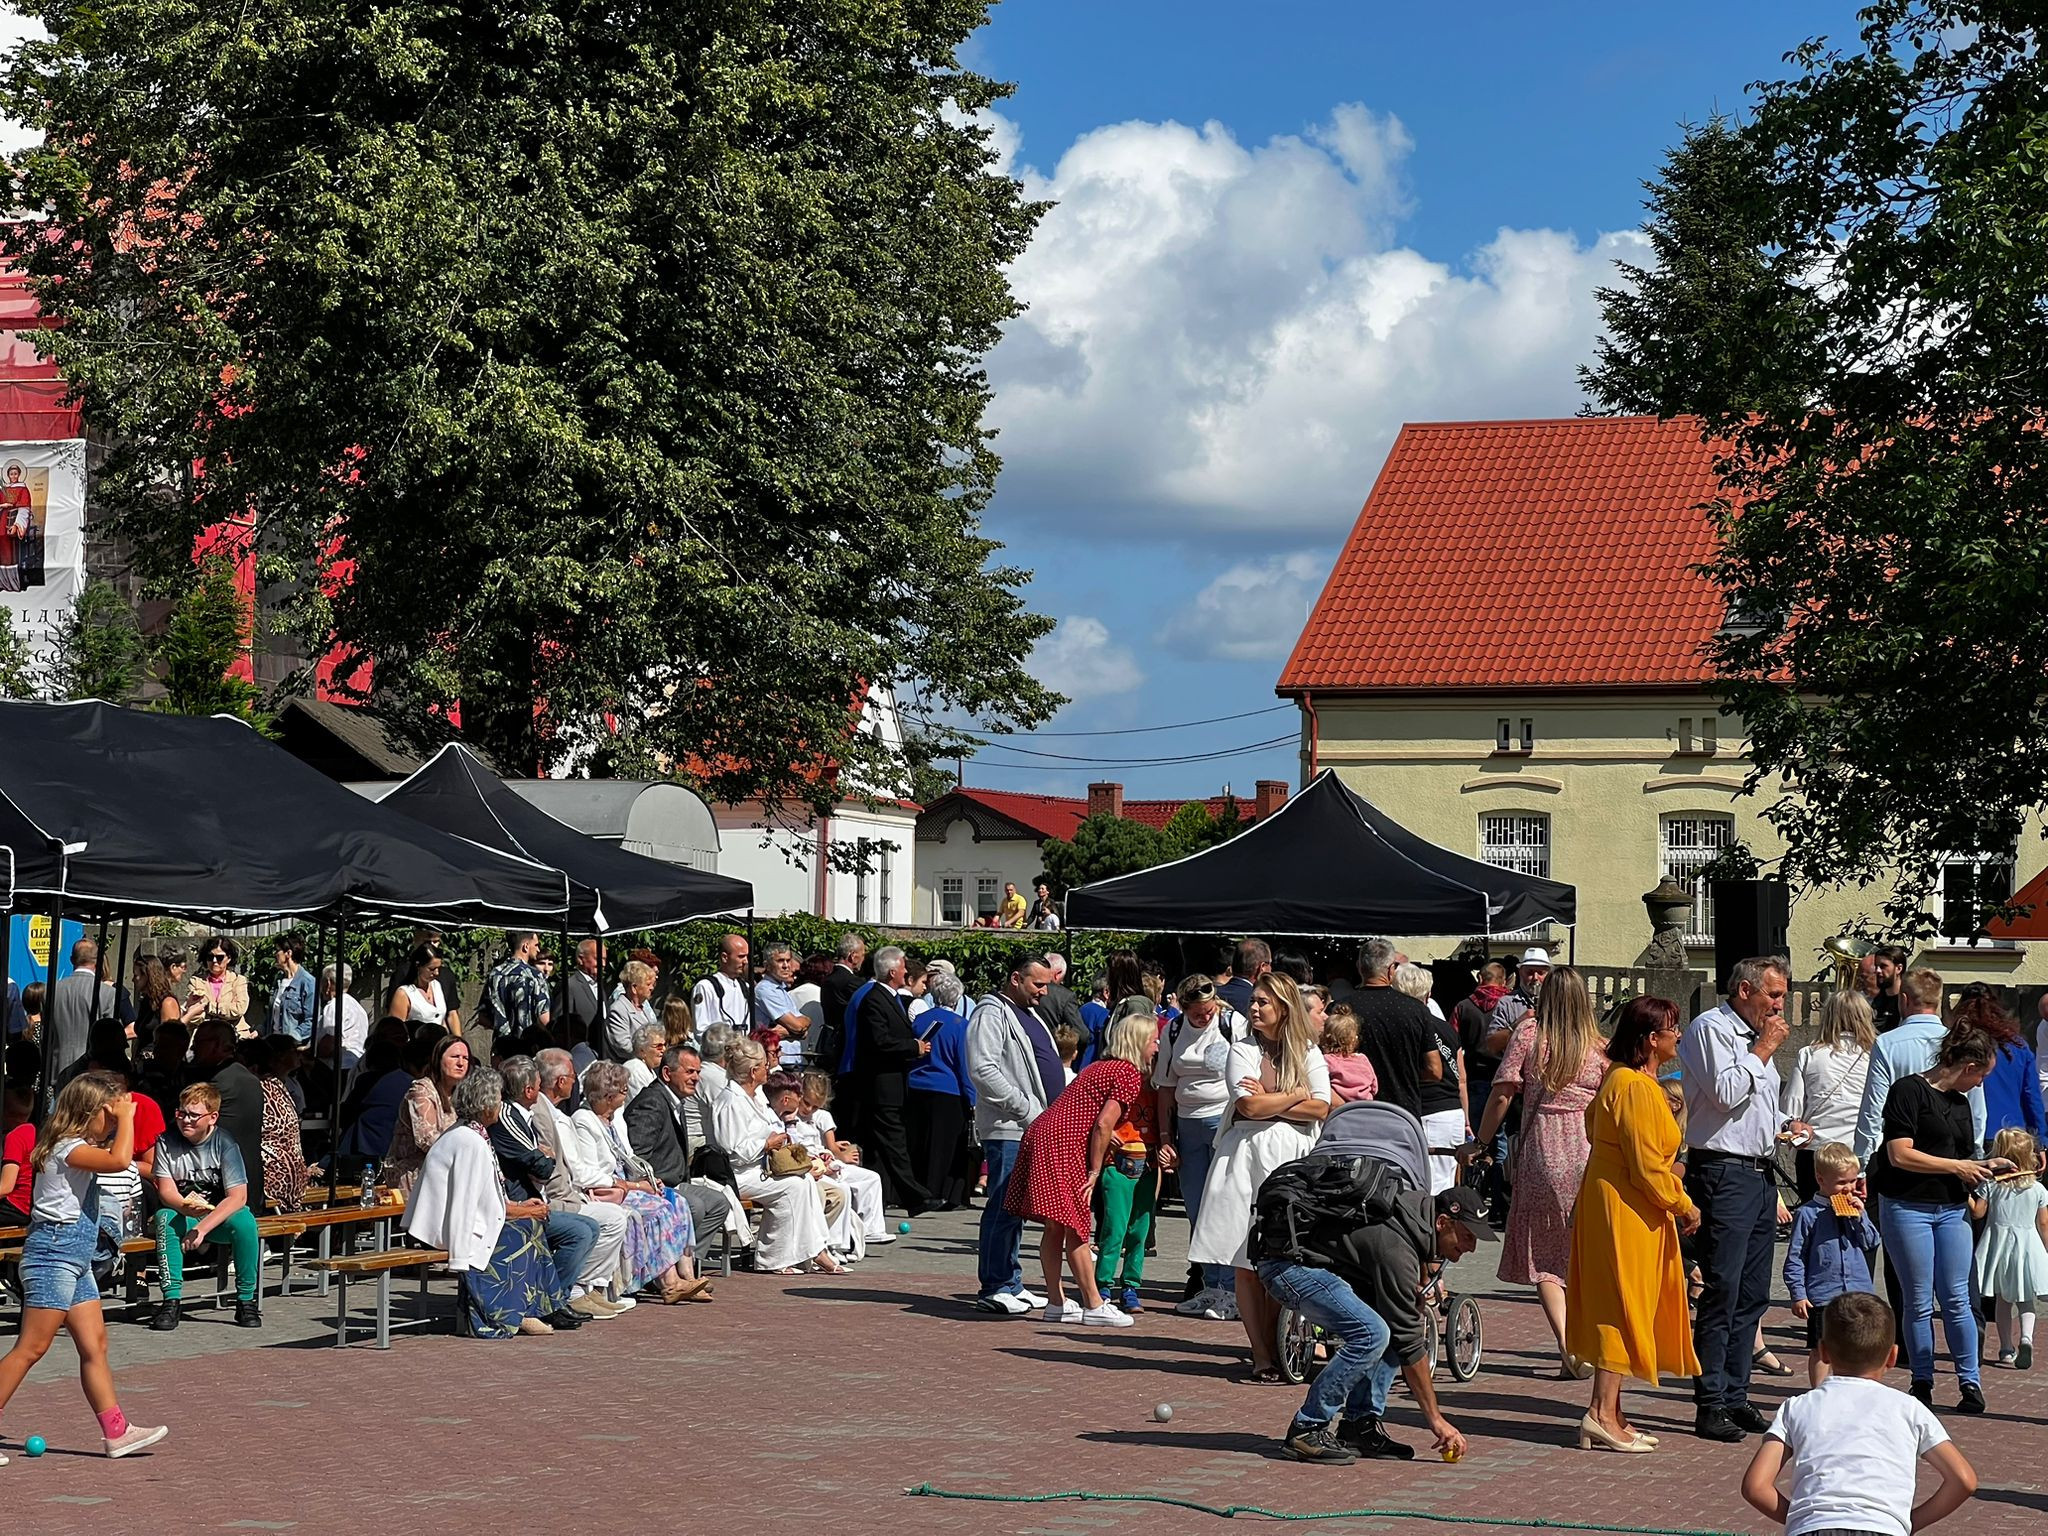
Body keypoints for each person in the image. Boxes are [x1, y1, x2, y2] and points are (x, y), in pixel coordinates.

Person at [0, 1073, 169, 1461]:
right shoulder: (65, 1146)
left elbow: (118, 1156)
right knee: (31, 1348)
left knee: (95, 1346)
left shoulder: (78, 1145)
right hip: (52, 1254)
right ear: (88, 1112)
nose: (113, 1126)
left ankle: (117, 1432)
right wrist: (126, 1118)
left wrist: (120, 1113)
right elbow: (120, 1160)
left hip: (75, 1258)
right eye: (107, 1118)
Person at [1567, 995, 1700, 1453]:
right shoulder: (1636, 1087)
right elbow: (1646, 1167)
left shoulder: (1620, 1079)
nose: (1678, 1035)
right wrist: (1683, 1204)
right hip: (1628, 1205)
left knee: (1623, 1300)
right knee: (1623, 1303)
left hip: (1615, 1200)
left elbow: (1595, 1131)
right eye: (1672, 1028)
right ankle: (1601, 1413)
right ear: (1650, 1039)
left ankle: (1611, 1411)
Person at [1679, 955, 1803, 1442]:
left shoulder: (1757, 1043)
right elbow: (1726, 1094)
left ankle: (1736, 1394)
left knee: (1752, 1293)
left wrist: (1785, 1129)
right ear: (1745, 990)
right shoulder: (1712, 1029)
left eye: (1784, 995)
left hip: (1759, 1173)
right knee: (1722, 1289)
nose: (1780, 1005)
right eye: (1773, 994)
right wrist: (1765, 1050)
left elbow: (1755, 1110)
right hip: (1721, 1173)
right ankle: (1709, 1402)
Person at [1189, 972, 1333, 1381]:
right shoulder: (1242, 1050)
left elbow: (1321, 1108)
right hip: (1246, 1159)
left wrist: (1276, 1100)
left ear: (1284, 1009)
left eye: (1262, 1002)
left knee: (1282, 1257)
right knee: (1245, 1258)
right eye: (1252, 1001)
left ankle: (1278, 1344)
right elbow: (1248, 1107)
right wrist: (1294, 1095)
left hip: (1293, 1162)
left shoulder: (1307, 1051)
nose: (1253, 1008)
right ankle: (1261, 1353)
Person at [1741, 1293, 1977, 1536]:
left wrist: (1800, 1520)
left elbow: (1756, 1486)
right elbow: (1963, 1480)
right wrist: (1908, 1522)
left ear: (1823, 1352)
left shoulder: (1798, 1407)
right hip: (1884, 1528)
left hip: (1813, 1527)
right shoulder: (1909, 1408)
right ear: (1892, 1356)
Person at [1470, 964, 1607, 1377]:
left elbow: (1502, 1093)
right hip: (1588, 1148)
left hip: (1543, 1146)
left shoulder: (1530, 1035)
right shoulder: (1599, 1045)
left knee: (1545, 1257)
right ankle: (1584, 1344)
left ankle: (1567, 1346)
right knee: (1580, 1250)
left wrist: (1480, 1142)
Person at [1006, 1010, 1161, 1328]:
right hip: (1063, 1144)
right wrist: (1093, 1171)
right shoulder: (1128, 1074)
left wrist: (1104, 1135)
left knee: (1055, 1226)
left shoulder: (1100, 1067)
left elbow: (1091, 1114)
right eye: (1153, 1040)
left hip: (1044, 1132)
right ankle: (1094, 1303)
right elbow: (1103, 1123)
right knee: (1074, 1223)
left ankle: (1057, 1301)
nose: (1157, 1047)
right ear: (1139, 1042)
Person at [1876, 1027, 1998, 1414]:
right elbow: (1900, 1154)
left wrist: (1984, 1168)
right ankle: (1922, 1379)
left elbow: (1962, 1159)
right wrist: (1958, 1167)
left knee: (1958, 1296)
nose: (1981, 1084)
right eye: (1981, 1076)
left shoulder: (1959, 1103)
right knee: (1917, 1297)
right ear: (1968, 1066)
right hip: (1907, 1205)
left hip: (1950, 1208)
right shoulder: (1908, 1091)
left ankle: (1970, 1381)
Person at [405, 1069, 570, 1336]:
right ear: (485, 1105)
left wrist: (518, 1207)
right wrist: (460, 1257)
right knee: (522, 1233)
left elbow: (483, 1197)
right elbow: (466, 1203)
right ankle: (504, 1314)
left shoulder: (472, 1133)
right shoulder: (469, 1140)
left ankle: (526, 1309)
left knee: (530, 1227)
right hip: (448, 1228)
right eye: (497, 1100)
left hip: (459, 1220)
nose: (500, 1106)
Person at [491, 1055, 628, 1321]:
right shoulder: (512, 1115)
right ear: (530, 1089)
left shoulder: (529, 1112)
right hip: (524, 1205)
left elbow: (541, 1161)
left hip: (537, 1200)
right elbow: (542, 1167)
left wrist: (544, 1156)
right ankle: (557, 1299)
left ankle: (566, 1295)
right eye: (538, 1083)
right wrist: (547, 1156)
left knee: (593, 1226)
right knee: (581, 1230)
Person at [563, 1060, 709, 1302]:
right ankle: (669, 1283)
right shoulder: (584, 1119)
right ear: (607, 1095)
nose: (626, 1095)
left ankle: (688, 1277)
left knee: (678, 1202)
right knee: (660, 1209)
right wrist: (635, 1186)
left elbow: (629, 1156)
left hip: (627, 1185)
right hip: (607, 1190)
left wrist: (648, 1178)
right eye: (622, 1091)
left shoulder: (615, 1117)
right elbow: (589, 1172)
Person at [967, 955, 1058, 1314]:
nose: (1044, 991)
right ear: (1016, 979)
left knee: (1015, 1207)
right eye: (1038, 984)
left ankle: (1011, 1280)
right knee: (1003, 1205)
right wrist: (1025, 1108)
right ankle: (994, 1285)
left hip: (1030, 1125)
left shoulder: (1028, 1013)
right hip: (1009, 1127)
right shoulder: (991, 1012)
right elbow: (983, 1068)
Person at [712, 1036, 843, 1275]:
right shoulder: (730, 1101)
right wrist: (766, 1144)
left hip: (759, 1169)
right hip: (738, 1175)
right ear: (753, 1071)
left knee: (804, 1183)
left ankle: (815, 1250)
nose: (767, 1069)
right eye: (763, 1065)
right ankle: (774, 1258)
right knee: (793, 1187)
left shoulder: (757, 1097)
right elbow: (731, 1150)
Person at [1154, 975, 1245, 1319]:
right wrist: (1165, 1137)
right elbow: (1165, 1087)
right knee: (1197, 1207)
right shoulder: (1173, 1030)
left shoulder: (1232, 1023)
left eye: (1208, 1011)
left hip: (1225, 1121)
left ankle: (1230, 1289)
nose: (1204, 1018)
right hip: (1188, 1126)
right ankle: (1210, 1285)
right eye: (1197, 1013)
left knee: (1225, 1202)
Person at [149, 1083, 263, 1331]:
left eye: (193, 1115)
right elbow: (167, 1191)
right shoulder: (166, 1141)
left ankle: (246, 1300)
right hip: (185, 1214)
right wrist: (185, 1208)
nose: (185, 1121)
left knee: (244, 1221)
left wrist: (201, 1229)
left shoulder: (225, 1143)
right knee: (164, 1217)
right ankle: (171, 1299)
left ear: (213, 1118)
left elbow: (237, 1197)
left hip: (217, 1217)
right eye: (181, 1113)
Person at [1091, 999, 1172, 1314]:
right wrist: (1103, 1130)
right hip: (1118, 1163)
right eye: (1153, 1040)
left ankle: (1132, 1286)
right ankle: (1103, 1285)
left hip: (1148, 1162)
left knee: (1140, 1229)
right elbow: (1094, 1112)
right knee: (1114, 1227)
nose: (1157, 1046)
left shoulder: (1155, 1079)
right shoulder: (1116, 1076)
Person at [839, 945, 932, 1215]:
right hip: (881, 1085)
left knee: (881, 1145)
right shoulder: (874, 999)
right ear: (893, 971)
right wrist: (913, 1047)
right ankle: (915, 1196)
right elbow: (879, 1041)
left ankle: (880, 1199)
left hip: (891, 1083)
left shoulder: (888, 997)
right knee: (894, 1142)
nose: (906, 971)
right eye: (903, 967)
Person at [1782, 1141, 1880, 1387]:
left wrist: (1860, 1217)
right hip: (1823, 1294)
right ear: (1821, 1179)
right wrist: (1798, 1294)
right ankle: (1819, 1392)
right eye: (1841, 1183)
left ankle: (1852, 1390)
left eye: (1852, 1182)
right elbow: (1795, 1257)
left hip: (1858, 1291)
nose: (1847, 1189)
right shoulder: (1808, 1214)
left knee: (1856, 1344)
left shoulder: (1857, 1208)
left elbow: (1871, 1242)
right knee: (1821, 1347)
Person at [621, 1043, 734, 1251]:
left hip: (677, 1181)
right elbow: (637, 1157)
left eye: (698, 1072)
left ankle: (690, 1260)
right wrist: (654, 1185)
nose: (696, 1078)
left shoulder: (676, 1100)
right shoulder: (652, 1102)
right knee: (695, 1206)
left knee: (720, 1203)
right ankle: (667, 1266)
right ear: (667, 1073)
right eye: (689, 1071)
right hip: (656, 1185)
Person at [1781, 990, 1876, 1201]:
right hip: (1859, 1151)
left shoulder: (1809, 1054)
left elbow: (1791, 1106)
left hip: (1817, 1150)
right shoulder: (1875, 1057)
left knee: (1815, 1219)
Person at [1975, 1126, 2048, 1369]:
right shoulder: (2037, 1188)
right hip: (2027, 1247)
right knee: (2027, 1300)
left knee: (2003, 1301)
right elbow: (2044, 1223)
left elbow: (1978, 1212)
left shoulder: (1992, 1185)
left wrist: (1965, 1194)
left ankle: (2006, 1348)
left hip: (1998, 1245)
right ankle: (2026, 1339)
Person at [1345, 938, 1440, 1118]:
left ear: (1359, 966)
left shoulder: (1342, 1009)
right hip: (1403, 1111)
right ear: (1391, 970)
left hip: (1354, 1110)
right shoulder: (1416, 1010)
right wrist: (1406, 1072)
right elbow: (1434, 1070)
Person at [906, 970, 976, 1209]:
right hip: (949, 1090)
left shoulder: (919, 1021)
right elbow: (964, 1065)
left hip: (916, 1086)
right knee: (944, 1147)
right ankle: (938, 1191)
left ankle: (918, 1188)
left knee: (919, 1141)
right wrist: (972, 1097)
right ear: (956, 998)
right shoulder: (961, 1026)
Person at [1397, 962, 1466, 1191]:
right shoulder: (1447, 1029)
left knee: (1420, 1189)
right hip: (1451, 1113)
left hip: (1426, 1113)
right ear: (1428, 993)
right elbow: (1461, 1079)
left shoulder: (1407, 1028)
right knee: (1444, 1186)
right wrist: (1465, 1119)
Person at [190, 1018, 266, 1219]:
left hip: (222, 1186)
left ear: (217, 1045)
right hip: (250, 1179)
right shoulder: (248, 1078)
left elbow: (193, 1129)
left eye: (199, 1042)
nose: (194, 1048)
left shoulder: (216, 1083)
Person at [388, 1033, 471, 1196]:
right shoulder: (421, 1090)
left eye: (466, 1058)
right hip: (416, 1179)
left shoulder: (462, 1094)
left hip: (449, 1175)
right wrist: (465, 1155)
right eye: (455, 1057)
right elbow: (426, 1139)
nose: (461, 1063)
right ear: (439, 1060)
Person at [1970, 991, 2046, 1140]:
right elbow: (2031, 1095)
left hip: (1972, 1132)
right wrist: (2041, 1138)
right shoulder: (2018, 1046)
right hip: (2013, 1133)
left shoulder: (1963, 1046)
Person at [47, 937, 123, 1080]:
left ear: (71, 960)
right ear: (98, 961)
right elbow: (110, 1041)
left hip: (58, 1069)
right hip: (93, 1070)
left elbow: (47, 1036)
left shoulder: (50, 992)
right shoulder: (107, 994)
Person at [257, 1037, 315, 1214]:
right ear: (280, 1056)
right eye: (293, 1050)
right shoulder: (263, 1087)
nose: (299, 1055)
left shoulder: (289, 1083)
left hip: (292, 1177)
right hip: (272, 1178)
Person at [478, 932, 551, 1069]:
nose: (539, 949)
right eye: (536, 945)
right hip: (527, 1052)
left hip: (501, 1051)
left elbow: (482, 1017)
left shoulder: (495, 974)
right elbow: (544, 1019)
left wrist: (502, 1024)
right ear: (525, 946)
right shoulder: (535, 977)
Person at [753, 942, 811, 1067]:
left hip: (792, 1061)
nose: (786, 966)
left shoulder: (782, 990)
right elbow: (798, 1027)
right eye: (780, 961)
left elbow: (804, 1026)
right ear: (767, 965)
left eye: (788, 960)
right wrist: (798, 1028)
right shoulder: (765, 990)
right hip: (776, 1061)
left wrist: (797, 1027)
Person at [185, 936, 251, 1038]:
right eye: (210, 957)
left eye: (219, 957)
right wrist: (225, 1009)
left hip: (235, 1035)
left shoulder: (239, 980)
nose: (214, 961)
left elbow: (239, 1009)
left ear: (229, 958)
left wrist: (208, 1007)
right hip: (204, 1036)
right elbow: (194, 1013)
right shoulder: (196, 981)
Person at [388, 945, 460, 1038]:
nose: (437, 973)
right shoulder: (404, 994)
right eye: (432, 969)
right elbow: (395, 1031)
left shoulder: (437, 986)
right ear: (418, 966)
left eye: (438, 968)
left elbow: (442, 1020)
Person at [311, 962, 370, 1072]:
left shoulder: (334, 1006)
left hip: (337, 1068)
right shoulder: (359, 1008)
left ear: (328, 983)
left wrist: (311, 1053)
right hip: (356, 1066)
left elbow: (330, 1042)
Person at [691, 933, 753, 1037]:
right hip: (718, 1051)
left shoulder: (744, 987)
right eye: (741, 956)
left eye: (747, 956)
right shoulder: (706, 987)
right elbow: (700, 1031)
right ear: (724, 957)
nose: (745, 961)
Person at [1488, 947, 1552, 1037]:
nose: (1535, 978)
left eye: (1541, 973)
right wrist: (1517, 1024)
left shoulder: (1556, 1001)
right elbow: (1492, 1045)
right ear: (1520, 972)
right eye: (1530, 972)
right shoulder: (1506, 1003)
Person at [1321, 1007, 1378, 1104]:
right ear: (1353, 1039)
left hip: (1340, 1107)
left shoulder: (1327, 1060)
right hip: (1365, 1105)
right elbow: (1374, 1087)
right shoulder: (1362, 1059)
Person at [564, 939, 607, 1057]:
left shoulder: (600, 986)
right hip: (580, 1057)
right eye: (598, 958)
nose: (603, 964)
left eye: (605, 959)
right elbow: (561, 1026)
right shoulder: (570, 986)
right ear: (580, 959)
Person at [268, 938, 317, 1043]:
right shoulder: (278, 980)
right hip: (273, 1047)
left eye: (277, 950)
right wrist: (260, 1031)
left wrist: (290, 1038)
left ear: (288, 953)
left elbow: (312, 1021)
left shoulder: (308, 982)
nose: (274, 954)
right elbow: (273, 1015)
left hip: (293, 1049)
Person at [622, 1019, 665, 1100]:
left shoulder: (649, 1069)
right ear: (642, 1050)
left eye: (664, 1045)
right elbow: (644, 1102)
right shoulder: (636, 1069)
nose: (663, 1049)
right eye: (659, 1046)